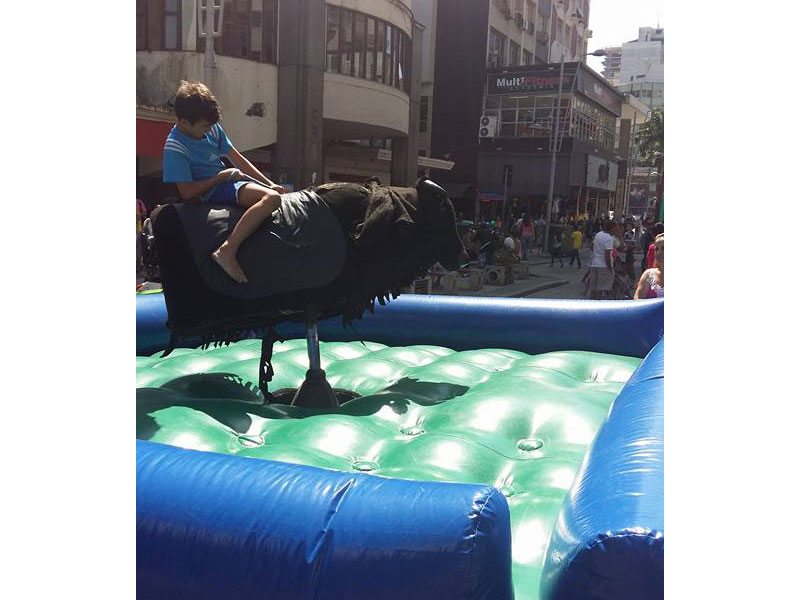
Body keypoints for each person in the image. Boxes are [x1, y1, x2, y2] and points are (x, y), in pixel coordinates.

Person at [162, 80, 286, 283]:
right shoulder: (174, 147)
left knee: (271, 194)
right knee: (272, 199)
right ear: (184, 122)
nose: (209, 130)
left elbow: (237, 158)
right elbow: (186, 192)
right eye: (204, 126)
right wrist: (220, 178)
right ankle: (227, 250)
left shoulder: (211, 127)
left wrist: (268, 183)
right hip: (214, 189)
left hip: (226, 181)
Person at [588, 220, 615, 299]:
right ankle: (597, 303)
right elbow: (607, 255)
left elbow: (592, 246)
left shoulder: (598, 234)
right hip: (603, 265)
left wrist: (597, 253)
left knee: (594, 287)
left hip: (595, 263)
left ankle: (592, 302)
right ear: (612, 228)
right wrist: (610, 268)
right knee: (600, 288)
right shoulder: (609, 238)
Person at [634, 233, 664, 299]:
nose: (659, 252)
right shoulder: (649, 275)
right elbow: (637, 300)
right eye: (656, 249)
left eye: (663, 248)